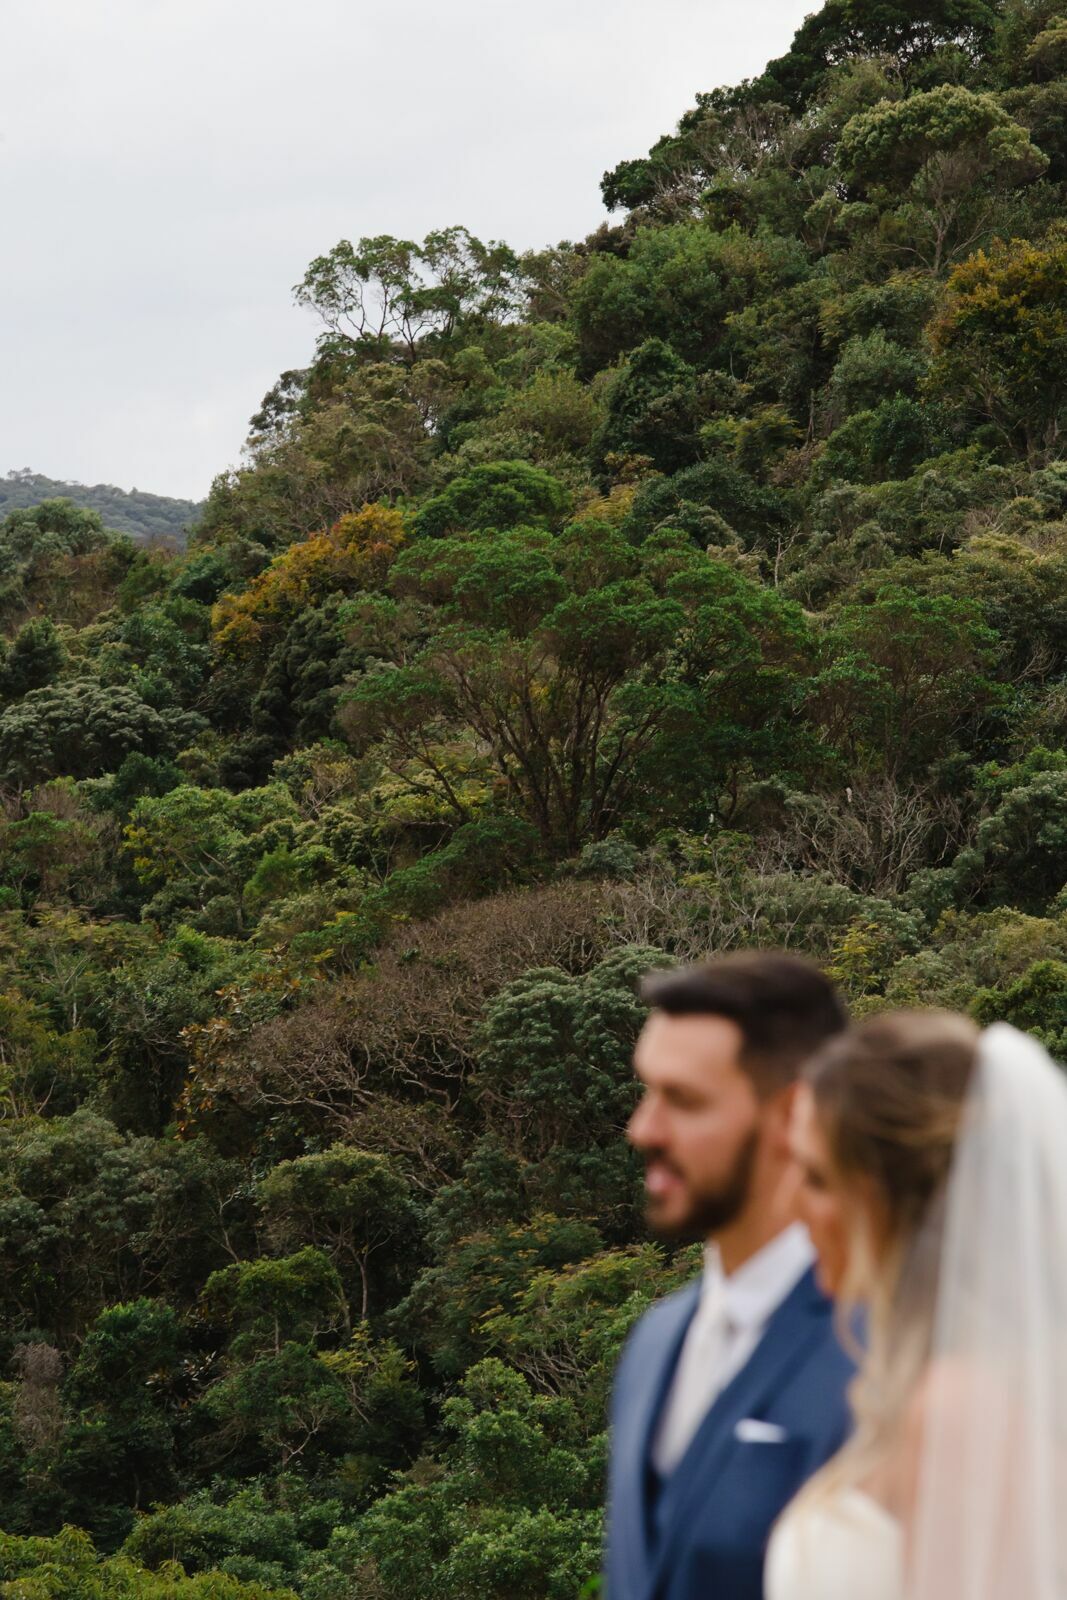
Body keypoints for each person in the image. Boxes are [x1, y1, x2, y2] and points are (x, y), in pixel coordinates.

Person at [769, 1010, 1067, 1600]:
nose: (789, 1205)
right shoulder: (966, 1384)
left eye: (816, 1177)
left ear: (890, 1201)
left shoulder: (962, 1408)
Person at [604, 951, 854, 1600]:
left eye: (682, 1101)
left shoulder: (881, 1351)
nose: (641, 1129)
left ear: (791, 1115)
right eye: (646, 1090)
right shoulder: (652, 1340)